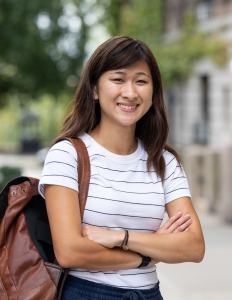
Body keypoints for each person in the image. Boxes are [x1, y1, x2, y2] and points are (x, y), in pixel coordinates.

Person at [39, 36, 205, 300]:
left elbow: (194, 247)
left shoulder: (164, 161)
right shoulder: (67, 155)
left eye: (141, 81)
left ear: (153, 92)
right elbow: (70, 251)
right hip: (86, 293)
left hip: (149, 294)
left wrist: (119, 237)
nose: (130, 92)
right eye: (118, 79)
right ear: (94, 89)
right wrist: (146, 256)